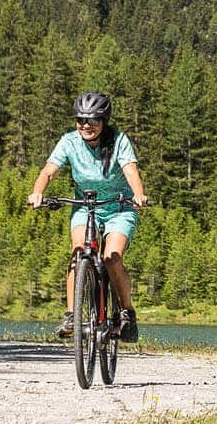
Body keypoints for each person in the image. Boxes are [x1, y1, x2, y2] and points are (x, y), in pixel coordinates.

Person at [27, 90, 150, 343]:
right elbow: (49, 171)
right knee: (78, 252)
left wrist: (138, 194)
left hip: (118, 206)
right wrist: (38, 192)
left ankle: (127, 313)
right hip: (84, 205)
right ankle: (72, 315)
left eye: (92, 120)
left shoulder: (118, 141)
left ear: (103, 121)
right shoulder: (69, 141)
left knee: (111, 258)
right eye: (80, 119)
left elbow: (130, 170)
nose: (85, 125)